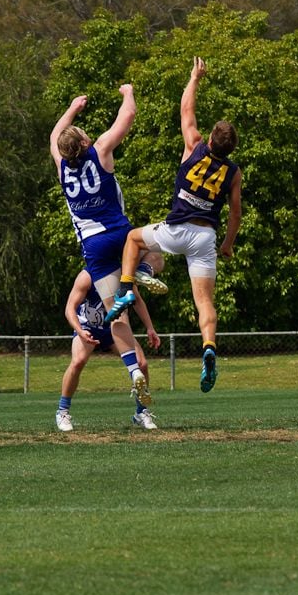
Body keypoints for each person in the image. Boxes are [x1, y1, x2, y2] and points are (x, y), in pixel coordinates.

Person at [105, 57, 242, 394]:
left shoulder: (194, 145)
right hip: (205, 237)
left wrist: (195, 78)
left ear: (211, 138)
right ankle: (209, 345)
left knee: (134, 241)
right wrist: (227, 244)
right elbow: (236, 213)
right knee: (205, 303)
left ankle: (125, 290)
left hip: (175, 229)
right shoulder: (234, 172)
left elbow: (186, 109)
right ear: (231, 148)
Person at [49, 83, 162, 412]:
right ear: (84, 141)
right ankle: (141, 270)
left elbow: (54, 136)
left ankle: (131, 369)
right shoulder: (99, 151)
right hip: (122, 235)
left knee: (117, 315)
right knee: (157, 251)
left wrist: (72, 107)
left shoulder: (62, 168)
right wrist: (128, 91)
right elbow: (127, 115)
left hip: (94, 248)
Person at [57, 257, 163, 432]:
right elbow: (69, 308)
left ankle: (141, 412)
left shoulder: (122, 275)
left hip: (116, 328)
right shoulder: (87, 276)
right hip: (88, 327)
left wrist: (150, 327)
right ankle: (62, 411)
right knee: (78, 361)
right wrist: (80, 330)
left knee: (142, 364)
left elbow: (137, 300)